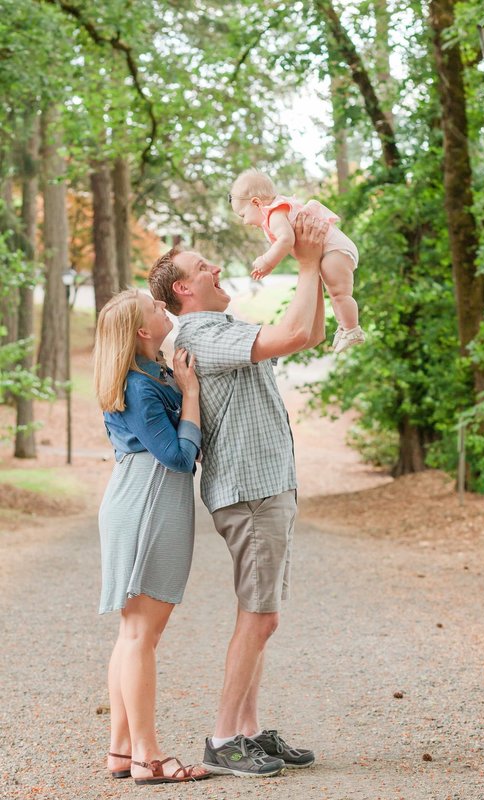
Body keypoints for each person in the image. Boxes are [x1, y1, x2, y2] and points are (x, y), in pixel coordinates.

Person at [148, 213, 328, 778]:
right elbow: (296, 334)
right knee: (258, 615)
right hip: (250, 492)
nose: (217, 267)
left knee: (263, 616)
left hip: (264, 486)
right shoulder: (203, 333)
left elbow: (312, 333)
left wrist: (316, 268)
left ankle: (249, 732)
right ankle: (224, 739)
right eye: (203, 266)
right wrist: (303, 262)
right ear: (183, 289)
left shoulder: (221, 328)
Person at [94, 289, 212, 785]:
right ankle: (147, 755)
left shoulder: (147, 372)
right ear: (142, 331)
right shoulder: (141, 386)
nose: (163, 309)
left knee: (133, 633)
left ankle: (122, 750)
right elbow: (180, 457)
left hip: (141, 493)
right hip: (149, 497)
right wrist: (190, 394)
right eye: (155, 309)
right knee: (142, 634)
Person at [229, 167, 365, 353]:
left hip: (337, 250)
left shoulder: (275, 213)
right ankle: (346, 326)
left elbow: (286, 240)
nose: (244, 222)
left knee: (340, 294)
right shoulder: (276, 212)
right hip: (334, 251)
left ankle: (352, 329)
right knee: (336, 294)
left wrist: (267, 261)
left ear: (256, 202)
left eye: (243, 215)